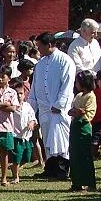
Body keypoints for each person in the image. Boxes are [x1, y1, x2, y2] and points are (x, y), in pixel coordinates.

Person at [28, 32, 76, 180]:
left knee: (60, 140)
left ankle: (61, 170)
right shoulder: (40, 64)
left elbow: (67, 85)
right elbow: (35, 85)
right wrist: (32, 105)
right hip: (44, 108)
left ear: (49, 45)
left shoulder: (65, 60)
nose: (38, 50)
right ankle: (49, 169)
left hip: (58, 109)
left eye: (40, 46)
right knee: (47, 139)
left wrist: (59, 104)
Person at [68, 71, 97, 191]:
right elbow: (72, 111)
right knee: (74, 155)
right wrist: (77, 111)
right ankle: (76, 182)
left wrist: (78, 111)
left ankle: (90, 182)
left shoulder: (90, 96)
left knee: (84, 155)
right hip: (75, 126)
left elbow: (84, 112)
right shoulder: (78, 96)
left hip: (84, 127)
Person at [9, 78, 36, 184]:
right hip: (16, 136)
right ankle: (16, 176)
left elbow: (32, 117)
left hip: (26, 136)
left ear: (25, 94)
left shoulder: (27, 106)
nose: (19, 95)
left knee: (27, 156)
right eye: (17, 93)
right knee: (17, 156)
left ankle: (15, 168)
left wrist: (32, 123)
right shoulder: (12, 107)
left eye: (21, 93)